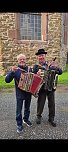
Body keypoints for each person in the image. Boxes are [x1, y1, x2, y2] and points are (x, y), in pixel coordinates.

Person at [33, 48, 62, 127]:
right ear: (37, 57)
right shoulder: (36, 66)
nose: (41, 57)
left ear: (45, 56)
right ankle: (39, 116)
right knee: (40, 103)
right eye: (39, 56)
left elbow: (60, 72)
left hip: (51, 87)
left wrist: (56, 68)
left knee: (52, 103)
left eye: (42, 55)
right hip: (41, 88)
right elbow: (32, 75)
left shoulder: (50, 65)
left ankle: (51, 118)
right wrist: (36, 73)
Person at [5, 54, 32, 133]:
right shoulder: (15, 69)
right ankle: (19, 124)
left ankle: (26, 119)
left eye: (23, 59)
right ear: (18, 61)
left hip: (28, 93)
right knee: (19, 110)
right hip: (19, 94)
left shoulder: (29, 69)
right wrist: (12, 72)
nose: (22, 60)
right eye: (20, 59)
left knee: (27, 108)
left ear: (25, 60)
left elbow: (34, 79)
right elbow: (7, 80)